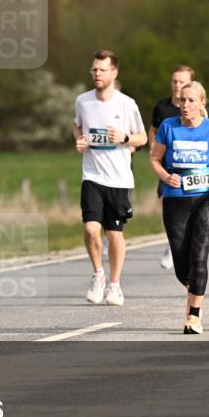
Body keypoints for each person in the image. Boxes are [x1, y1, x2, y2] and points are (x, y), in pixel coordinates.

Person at [151, 81, 209, 333]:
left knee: (199, 257)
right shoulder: (167, 127)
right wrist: (164, 176)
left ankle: (193, 315)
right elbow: (155, 159)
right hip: (175, 200)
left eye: (191, 100)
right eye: (182, 100)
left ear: (202, 103)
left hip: (206, 199)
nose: (185, 105)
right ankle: (195, 293)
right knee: (183, 268)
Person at [74, 50, 148, 305]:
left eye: (102, 70)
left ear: (114, 73)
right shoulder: (82, 101)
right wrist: (80, 140)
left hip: (118, 179)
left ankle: (115, 285)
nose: (97, 74)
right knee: (91, 228)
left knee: (114, 234)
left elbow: (143, 137)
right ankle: (98, 275)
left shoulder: (126, 104)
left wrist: (125, 138)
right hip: (92, 176)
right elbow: (77, 125)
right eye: (94, 69)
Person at [150, 65, 195, 270]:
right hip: (168, 169)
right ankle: (173, 243)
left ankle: (187, 240)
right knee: (168, 203)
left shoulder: (199, 108)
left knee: (192, 207)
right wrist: (154, 147)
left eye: (182, 82)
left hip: (193, 168)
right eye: (174, 81)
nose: (177, 86)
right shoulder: (162, 108)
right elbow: (153, 130)